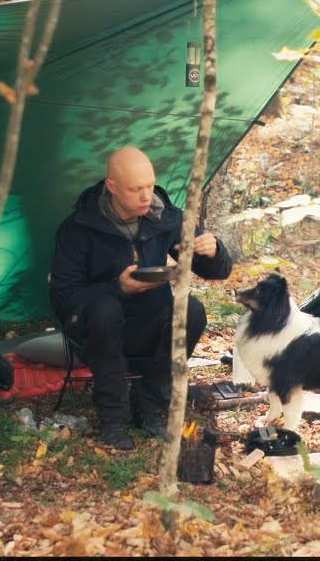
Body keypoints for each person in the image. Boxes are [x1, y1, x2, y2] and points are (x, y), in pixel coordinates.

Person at [49, 146, 233, 450]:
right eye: (136, 189)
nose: (146, 196)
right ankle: (113, 418)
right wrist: (117, 288)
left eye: (149, 185)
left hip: (148, 323)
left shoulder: (165, 218)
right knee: (105, 307)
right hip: (97, 331)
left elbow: (217, 271)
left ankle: (150, 406)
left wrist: (214, 251)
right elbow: (63, 298)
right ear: (111, 187)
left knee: (192, 310)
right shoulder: (77, 229)